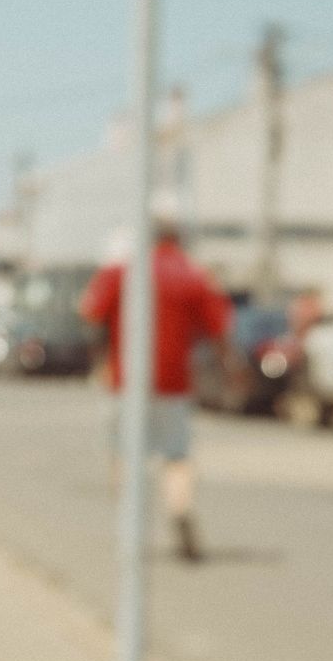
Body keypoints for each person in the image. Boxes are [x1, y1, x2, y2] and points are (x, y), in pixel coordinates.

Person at [78, 216, 232, 563]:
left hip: (126, 379)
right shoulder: (194, 275)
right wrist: (231, 369)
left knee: (126, 454)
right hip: (173, 381)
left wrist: (102, 355)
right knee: (176, 456)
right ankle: (180, 508)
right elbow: (219, 329)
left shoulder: (122, 271)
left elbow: (89, 312)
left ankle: (131, 526)